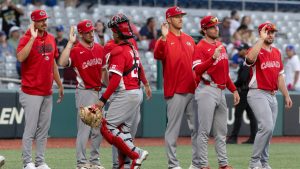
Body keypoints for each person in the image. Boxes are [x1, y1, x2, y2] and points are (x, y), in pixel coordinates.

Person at [95, 13, 151, 169]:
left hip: (124, 91)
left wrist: (103, 99)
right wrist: (145, 83)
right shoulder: (131, 45)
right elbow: (138, 65)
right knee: (124, 131)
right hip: (134, 90)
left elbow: (113, 78)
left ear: (115, 31)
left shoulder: (117, 49)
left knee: (107, 128)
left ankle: (136, 153)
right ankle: (124, 165)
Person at [16, 9, 63, 169]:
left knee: (43, 130)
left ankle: (40, 161)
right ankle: (27, 162)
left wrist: (60, 84)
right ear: (34, 22)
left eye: (45, 19)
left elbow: (54, 64)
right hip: (31, 91)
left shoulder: (51, 38)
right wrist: (32, 39)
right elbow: (20, 57)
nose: (45, 22)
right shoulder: (26, 38)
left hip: (47, 91)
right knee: (30, 129)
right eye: (41, 20)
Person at [192, 15, 240, 169]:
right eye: (212, 26)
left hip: (220, 90)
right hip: (206, 89)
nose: (216, 28)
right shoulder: (199, 47)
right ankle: (203, 165)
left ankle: (223, 164)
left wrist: (234, 90)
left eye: (216, 26)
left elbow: (225, 73)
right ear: (204, 30)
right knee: (204, 131)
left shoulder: (220, 45)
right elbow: (197, 70)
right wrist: (212, 58)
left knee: (221, 132)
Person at [154, 6, 198, 169]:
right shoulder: (163, 39)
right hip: (175, 91)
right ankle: (173, 165)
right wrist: (164, 38)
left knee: (197, 130)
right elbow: (157, 55)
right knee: (172, 131)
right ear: (169, 19)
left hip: (192, 89)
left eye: (181, 16)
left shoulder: (189, 39)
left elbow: (196, 64)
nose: (181, 18)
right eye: (177, 16)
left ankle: (197, 163)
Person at [58, 19, 106, 169]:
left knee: (98, 130)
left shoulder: (99, 48)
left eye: (92, 31)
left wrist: (110, 90)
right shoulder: (76, 50)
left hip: (99, 92)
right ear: (80, 34)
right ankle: (81, 163)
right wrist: (70, 43)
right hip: (85, 92)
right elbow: (62, 62)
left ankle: (94, 161)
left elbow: (104, 72)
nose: (91, 34)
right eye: (87, 32)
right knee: (84, 130)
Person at [245, 22, 292, 169]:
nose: (271, 35)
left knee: (269, 131)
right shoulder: (256, 49)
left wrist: (286, 95)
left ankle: (264, 163)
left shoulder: (277, 52)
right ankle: (254, 163)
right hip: (257, 92)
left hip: (272, 95)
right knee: (266, 126)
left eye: (273, 32)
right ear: (261, 33)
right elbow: (249, 60)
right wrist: (260, 40)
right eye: (268, 32)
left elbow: (280, 77)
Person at [227, 43, 257, 144]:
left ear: (246, 50)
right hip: (249, 91)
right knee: (251, 115)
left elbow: (243, 78)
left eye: (241, 49)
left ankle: (234, 137)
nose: (239, 51)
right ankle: (253, 137)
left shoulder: (247, 62)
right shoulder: (250, 61)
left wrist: (234, 85)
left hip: (244, 91)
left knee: (238, 114)